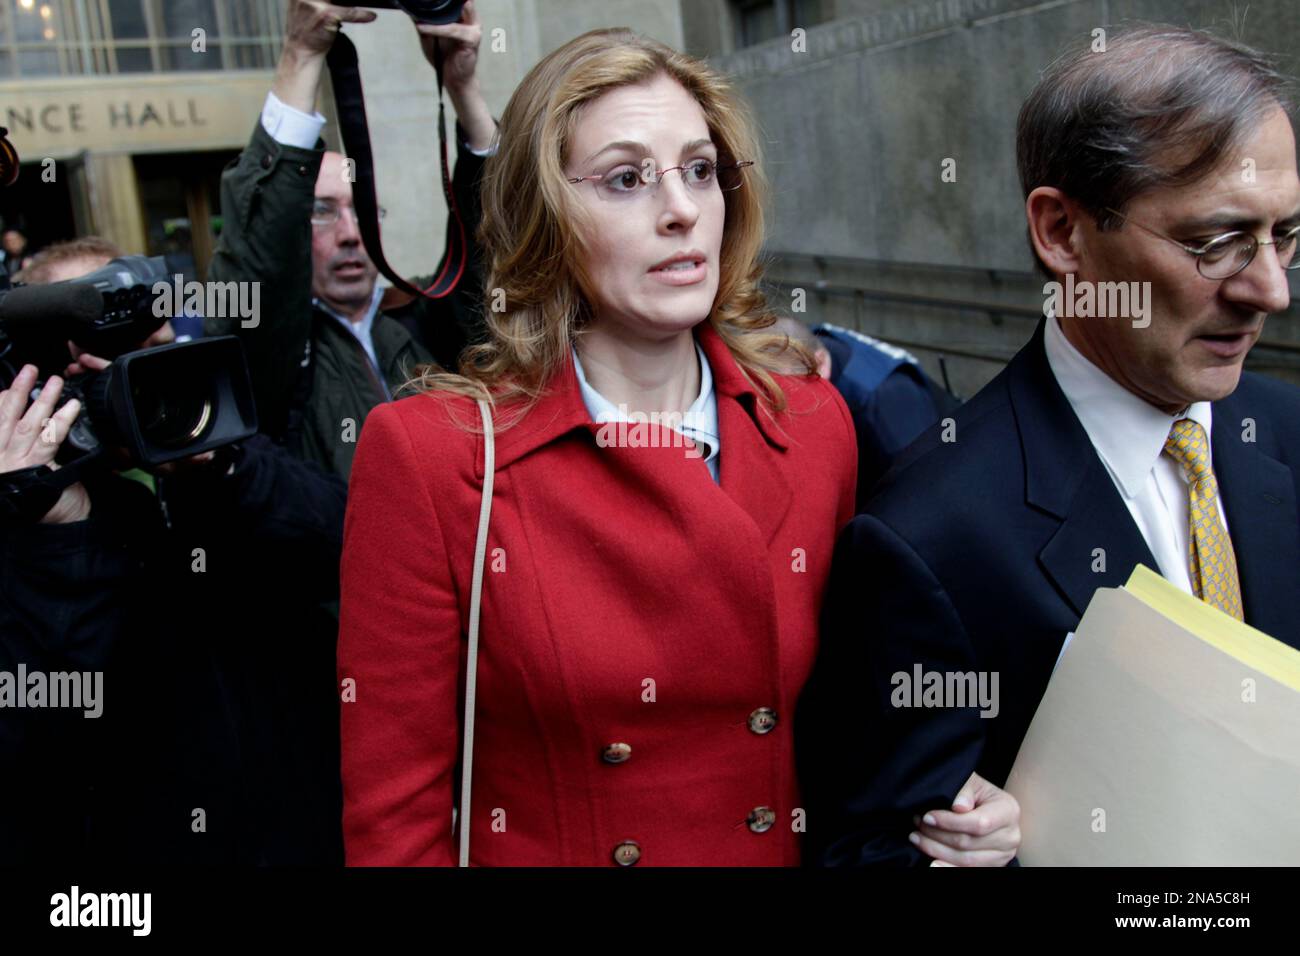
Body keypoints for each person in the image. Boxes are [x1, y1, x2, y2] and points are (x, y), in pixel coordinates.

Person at [338, 28, 858, 866]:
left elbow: (849, 724)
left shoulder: (811, 423)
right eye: (625, 179)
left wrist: (952, 796)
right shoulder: (435, 457)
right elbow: (395, 819)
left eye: (698, 169)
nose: (682, 208)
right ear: (546, 215)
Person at [798, 23, 1300, 866]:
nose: (1271, 291)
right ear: (1063, 233)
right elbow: (867, 848)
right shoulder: (928, 539)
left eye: (1285, 235)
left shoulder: (1285, 432)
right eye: (1215, 243)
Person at [0, 256, 348, 864]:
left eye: (145, 347)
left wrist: (223, 465)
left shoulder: (213, 447)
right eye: (91, 359)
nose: (125, 376)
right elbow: (45, 738)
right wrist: (54, 534)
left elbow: (344, 551)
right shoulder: (30, 524)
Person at [207, 0, 497, 479]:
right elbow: (258, 256)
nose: (350, 234)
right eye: (321, 212)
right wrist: (301, 54)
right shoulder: (273, 346)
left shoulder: (421, 320)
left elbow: (494, 244)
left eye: (361, 210)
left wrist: (462, 88)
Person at [773, 318, 958, 509]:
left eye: (786, 390)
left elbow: (922, 489)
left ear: (818, 363)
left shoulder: (883, 403)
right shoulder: (804, 343)